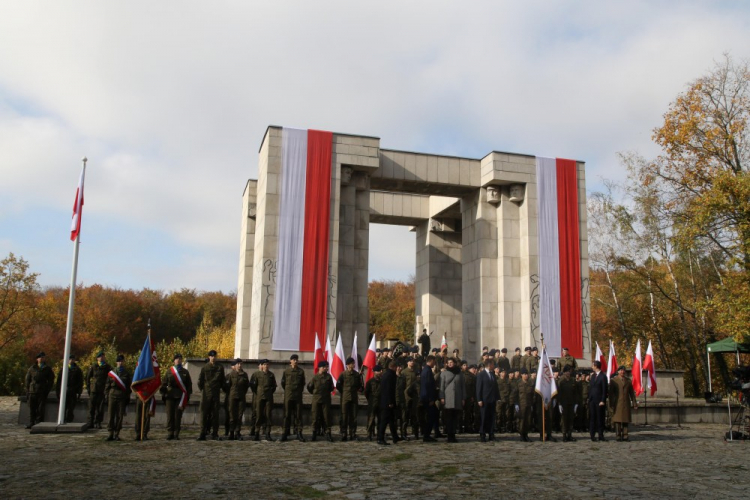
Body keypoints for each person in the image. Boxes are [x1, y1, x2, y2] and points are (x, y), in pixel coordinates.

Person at [160, 353, 192, 440]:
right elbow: (164, 383)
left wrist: (187, 396)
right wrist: (163, 392)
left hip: (180, 396)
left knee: (178, 416)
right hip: (170, 396)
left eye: (180, 359)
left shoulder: (185, 372)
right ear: (174, 361)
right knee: (170, 415)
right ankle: (170, 432)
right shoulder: (169, 371)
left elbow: (189, 385)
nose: (178, 360)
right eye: (177, 359)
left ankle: (176, 433)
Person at [197, 350, 225, 441]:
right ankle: (202, 433)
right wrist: (204, 389)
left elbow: (222, 381)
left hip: (216, 393)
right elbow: (200, 381)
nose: (213, 358)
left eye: (215, 356)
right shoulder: (205, 367)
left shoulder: (220, 367)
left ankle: (215, 433)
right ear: (209, 357)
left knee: (215, 414)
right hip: (206, 394)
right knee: (204, 414)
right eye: (212, 356)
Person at [104, 354, 131, 441]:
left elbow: (128, 386)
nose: (120, 363)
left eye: (122, 361)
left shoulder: (126, 373)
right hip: (112, 394)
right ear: (116, 362)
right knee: (111, 414)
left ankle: (117, 433)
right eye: (119, 361)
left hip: (121, 395)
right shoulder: (112, 373)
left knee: (119, 416)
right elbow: (107, 385)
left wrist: (127, 396)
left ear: (123, 362)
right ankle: (110, 433)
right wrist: (106, 395)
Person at [25, 352, 54, 428]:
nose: (42, 359)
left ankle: (39, 422)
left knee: (40, 409)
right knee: (32, 408)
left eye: (43, 357)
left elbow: (51, 380)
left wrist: (47, 389)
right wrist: (27, 390)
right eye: (40, 357)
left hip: (42, 391)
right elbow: (27, 380)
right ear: (37, 359)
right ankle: (32, 422)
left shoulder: (47, 369)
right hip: (33, 391)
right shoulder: (32, 368)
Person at [249, 359, 277, 441]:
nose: (266, 366)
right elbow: (253, 386)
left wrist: (269, 393)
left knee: (268, 415)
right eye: (264, 364)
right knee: (258, 415)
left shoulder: (271, 375)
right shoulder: (256, 374)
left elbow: (274, 386)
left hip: (268, 398)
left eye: (267, 364)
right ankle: (257, 432)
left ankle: (268, 433)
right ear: (262, 365)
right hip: (259, 397)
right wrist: (258, 392)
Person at [307, 360, 334, 442]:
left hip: (326, 400)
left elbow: (331, 388)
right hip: (316, 399)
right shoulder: (315, 378)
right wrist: (316, 394)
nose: (326, 368)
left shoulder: (328, 377)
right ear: (320, 368)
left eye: (327, 367)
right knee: (315, 417)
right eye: (325, 367)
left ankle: (328, 433)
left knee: (326, 417)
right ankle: (314, 433)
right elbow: (309, 387)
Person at [281, 354, 306, 442]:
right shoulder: (286, 371)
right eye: (294, 360)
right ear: (290, 361)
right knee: (286, 415)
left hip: (298, 396)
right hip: (288, 396)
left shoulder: (301, 372)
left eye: (296, 360)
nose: (295, 361)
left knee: (298, 415)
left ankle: (299, 432)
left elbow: (303, 383)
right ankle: (285, 432)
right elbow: (283, 383)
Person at [336, 357, 362, 441]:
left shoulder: (356, 374)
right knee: (344, 416)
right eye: (352, 363)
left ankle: (353, 433)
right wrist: (343, 392)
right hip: (345, 398)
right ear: (348, 365)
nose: (353, 365)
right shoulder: (343, 374)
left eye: (354, 363)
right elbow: (338, 385)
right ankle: (344, 433)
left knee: (353, 416)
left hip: (354, 398)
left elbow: (359, 385)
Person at [439, 357, 464, 443]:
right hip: (448, 398)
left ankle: (453, 435)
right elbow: (441, 386)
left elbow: (462, 387)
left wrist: (463, 398)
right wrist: (442, 397)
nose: (450, 364)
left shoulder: (460, 373)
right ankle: (449, 435)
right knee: (448, 418)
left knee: (455, 418)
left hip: (457, 398)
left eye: (451, 362)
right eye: (448, 362)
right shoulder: (444, 373)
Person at [609, 366, 638, 441]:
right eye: (621, 370)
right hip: (617, 403)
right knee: (618, 420)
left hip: (626, 403)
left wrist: (634, 403)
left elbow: (631, 393)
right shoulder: (614, 380)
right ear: (618, 371)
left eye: (623, 370)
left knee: (625, 420)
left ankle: (625, 435)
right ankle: (618, 435)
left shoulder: (628, 381)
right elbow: (611, 393)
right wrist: (611, 403)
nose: (622, 372)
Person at [86, 351, 112, 429]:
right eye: (100, 357)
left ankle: (98, 422)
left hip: (102, 390)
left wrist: (107, 388)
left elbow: (110, 377)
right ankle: (90, 422)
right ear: (97, 358)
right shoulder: (94, 366)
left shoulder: (107, 367)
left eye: (103, 357)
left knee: (100, 408)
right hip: (94, 389)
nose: (101, 358)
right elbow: (88, 377)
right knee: (91, 407)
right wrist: (88, 388)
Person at [377, 361, 401, 445]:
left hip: (387, 401)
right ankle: (380, 438)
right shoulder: (389, 376)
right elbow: (388, 390)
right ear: (394, 367)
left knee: (391, 420)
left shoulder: (388, 374)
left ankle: (395, 437)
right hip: (387, 402)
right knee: (384, 421)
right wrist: (390, 402)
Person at [55, 354, 83, 424]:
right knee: (63, 407)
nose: (71, 361)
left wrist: (78, 392)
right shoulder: (63, 369)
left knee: (71, 408)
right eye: (69, 359)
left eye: (72, 359)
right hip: (64, 391)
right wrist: (58, 392)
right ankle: (62, 419)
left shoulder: (77, 370)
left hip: (72, 391)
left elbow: (80, 381)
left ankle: (69, 420)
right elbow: (59, 381)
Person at [227, 358, 250, 440]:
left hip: (241, 397)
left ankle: (237, 432)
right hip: (233, 396)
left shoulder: (244, 375)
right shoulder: (231, 374)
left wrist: (242, 392)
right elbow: (227, 386)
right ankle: (231, 432)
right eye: (238, 364)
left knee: (239, 415)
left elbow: (247, 385)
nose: (239, 365)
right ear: (235, 365)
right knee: (232, 415)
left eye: (241, 364)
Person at [476, 359, 499, 442]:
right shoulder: (481, 375)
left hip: (492, 399)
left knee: (492, 417)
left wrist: (497, 397)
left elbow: (495, 387)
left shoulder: (492, 374)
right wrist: (479, 399)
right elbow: (479, 388)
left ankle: (491, 433)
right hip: (484, 400)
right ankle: (482, 434)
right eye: (493, 364)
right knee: (484, 417)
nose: (494, 366)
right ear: (489, 365)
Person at [419, 355, 438, 442]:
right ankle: (426, 435)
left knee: (434, 414)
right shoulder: (427, 371)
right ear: (431, 361)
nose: (435, 363)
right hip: (427, 398)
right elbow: (427, 386)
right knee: (432, 415)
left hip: (427, 397)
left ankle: (429, 433)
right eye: (434, 361)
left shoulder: (427, 370)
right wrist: (430, 399)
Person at [589, 360, 608, 442]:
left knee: (600, 418)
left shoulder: (603, 376)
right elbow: (591, 387)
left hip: (599, 400)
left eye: (593, 365)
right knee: (592, 418)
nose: (592, 367)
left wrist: (603, 400)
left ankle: (600, 434)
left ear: (596, 366)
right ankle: (592, 435)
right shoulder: (593, 376)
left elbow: (604, 389)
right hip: (592, 400)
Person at [557, 366, 577, 442]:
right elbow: (559, 393)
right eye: (567, 371)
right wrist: (559, 404)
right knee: (564, 419)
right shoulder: (561, 381)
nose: (569, 373)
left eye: (570, 371)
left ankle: (570, 434)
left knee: (571, 419)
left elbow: (575, 393)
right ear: (564, 372)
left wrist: (576, 403)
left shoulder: (572, 380)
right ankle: (564, 435)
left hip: (571, 402)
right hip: (563, 403)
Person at [401, 357, 419, 439]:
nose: (412, 362)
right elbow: (402, 385)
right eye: (410, 361)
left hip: (414, 396)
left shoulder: (415, 371)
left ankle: (415, 432)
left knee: (414, 415)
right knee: (405, 416)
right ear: (407, 362)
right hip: (406, 396)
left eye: (413, 361)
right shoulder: (404, 372)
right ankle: (404, 433)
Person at [516, 368, 535, 442]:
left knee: (528, 420)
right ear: (521, 375)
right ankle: (521, 435)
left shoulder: (530, 383)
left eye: (527, 374)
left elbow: (533, 394)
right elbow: (515, 394)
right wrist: (516, 404)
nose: (526, 376)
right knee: (522, 420)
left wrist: (532, 403)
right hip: (521, 404)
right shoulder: (518, 383)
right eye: (524, 374)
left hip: (529, 404)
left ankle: (526, 434)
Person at [365, 364, 382, 441]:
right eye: (378, 371)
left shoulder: (382, 381)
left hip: (380, 402)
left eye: (381, 371)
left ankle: (379, 434)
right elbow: (366, 393)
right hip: (372, 402)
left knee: (380, 419)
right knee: (371, 419)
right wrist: (370, 399)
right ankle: (369, 434)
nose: (380, 372)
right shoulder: (370, 382)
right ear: (375, 372)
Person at [496, 367, 512, 433]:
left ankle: (506, 427)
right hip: (499, 400)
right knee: (498, 414)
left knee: (507, 414)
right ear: (499, 373)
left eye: (504, 372)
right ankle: (498, 427)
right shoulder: (497, 382)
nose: (503, 374)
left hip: (506, 399)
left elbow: (510, 390)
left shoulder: (508, 381)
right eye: (502, 372)